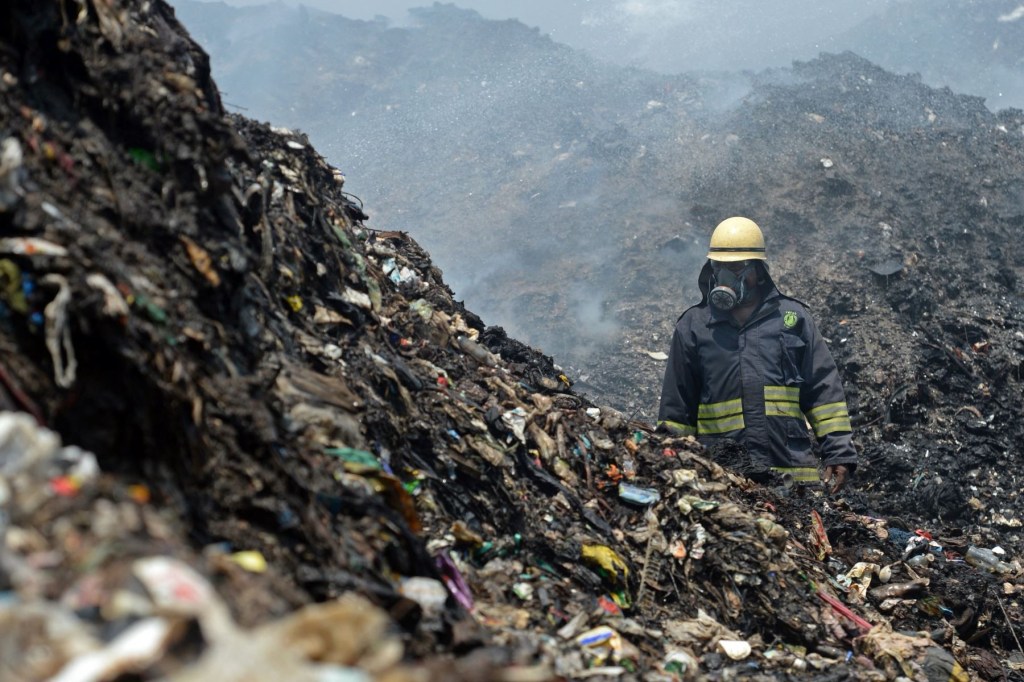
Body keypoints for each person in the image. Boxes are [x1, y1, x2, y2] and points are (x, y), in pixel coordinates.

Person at [657, 216, 857, 493]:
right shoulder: (694, 326)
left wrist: (838, 452)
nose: (726, 276)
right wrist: (672, 462)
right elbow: (676, 409)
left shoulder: (792, 319)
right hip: (723, 480)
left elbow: (824, 392)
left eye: (737, 267)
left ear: (758, 271)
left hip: (794, 480)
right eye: (720, 267)